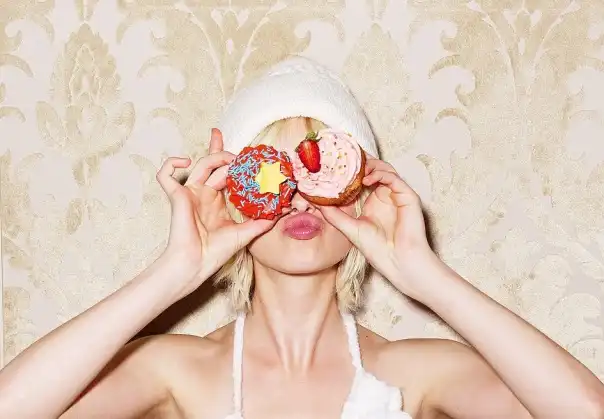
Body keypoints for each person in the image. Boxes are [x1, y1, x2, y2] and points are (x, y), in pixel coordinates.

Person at [0, 57, 602, 419]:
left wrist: (427, 277)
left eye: (323, 172)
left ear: (361, 195)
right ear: (234, 195)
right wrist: (172, 272)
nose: (296, 197)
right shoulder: (177, 370)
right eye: (271, 173)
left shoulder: (413, 374)